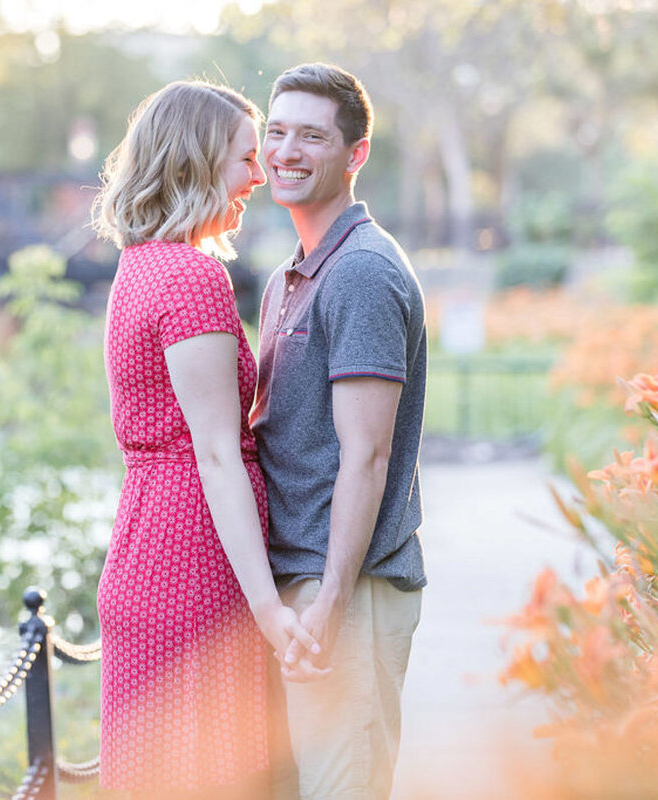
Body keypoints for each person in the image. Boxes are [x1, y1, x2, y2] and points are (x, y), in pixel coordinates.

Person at [91, 80, 319, 800]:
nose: (260, 175)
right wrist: (268, 610)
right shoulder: (192, 279)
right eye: (246, 158)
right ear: (195, 159)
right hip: (193, 558)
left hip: (146, 541)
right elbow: (215, 452)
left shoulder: (140, 266)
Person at [250, 63, 428, 800]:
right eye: (277, 131)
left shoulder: (358, 272)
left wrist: (328, 600)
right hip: (304, 591)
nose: (286, 151)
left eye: (311, 136)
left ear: (354, 155)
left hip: (346, 595)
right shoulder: (291, 273)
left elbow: (368, 454)